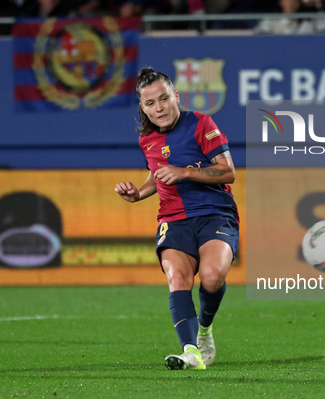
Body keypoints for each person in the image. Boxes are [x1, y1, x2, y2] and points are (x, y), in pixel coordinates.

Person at [115, 68, 239, 370]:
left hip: (215, 212)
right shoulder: (147, 139)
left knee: (212, 277)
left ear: (176, 97)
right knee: (178, 278)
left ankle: (205, 331)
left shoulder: (201, 123)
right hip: (173, 218)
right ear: (142, 107)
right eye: (151, 103)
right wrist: (139, 193)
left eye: (164, 99)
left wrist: (185, 172)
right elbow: (156, 174)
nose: (159, 108)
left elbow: (228, 171)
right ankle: (191, 352)